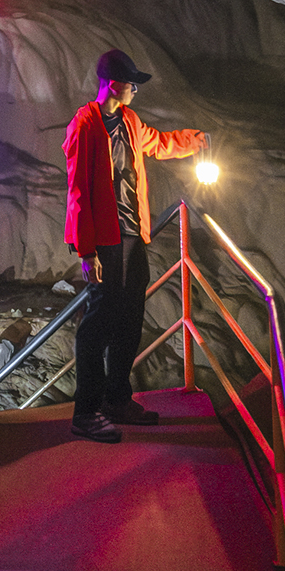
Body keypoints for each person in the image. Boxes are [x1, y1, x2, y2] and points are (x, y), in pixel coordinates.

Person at [62, 48, 209, 442]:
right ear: (113, 84)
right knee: (97, 324)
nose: (134, 91)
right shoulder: (85, 125)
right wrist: (85, 251)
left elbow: (158, 143)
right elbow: (77, 191)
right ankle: (86, 412)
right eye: (131, 84)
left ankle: (116, 398)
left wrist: (195, 141)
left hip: (131, 235)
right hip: (104, 241)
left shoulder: (128, 121)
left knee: (128, 319)